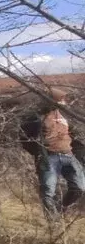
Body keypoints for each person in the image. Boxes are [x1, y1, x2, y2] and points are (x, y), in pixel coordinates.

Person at [19, 88, 85, 220]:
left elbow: (73, 135)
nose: (64, 102)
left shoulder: (64, 115)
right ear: (51, 101)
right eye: (61, 100)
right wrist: (39, 153)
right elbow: (24, 138)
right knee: (48, 192)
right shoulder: (35, 117)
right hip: (49, 158)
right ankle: (53, 222)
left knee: (79, 188)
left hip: (68, 156)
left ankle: (61, 209)